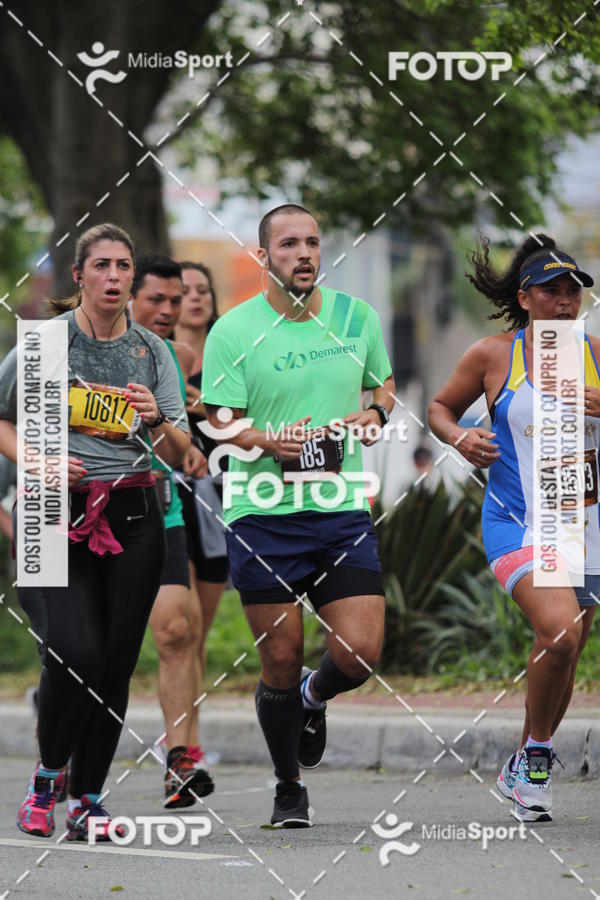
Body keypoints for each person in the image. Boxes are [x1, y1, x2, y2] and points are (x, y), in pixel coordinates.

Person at [201, 203, 395, 827]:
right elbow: (219, 419)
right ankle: (289, 786)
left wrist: (376, 415)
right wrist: (267, 442)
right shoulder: (234, 331)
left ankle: (316, 696)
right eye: (288, 244)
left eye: (312, 242)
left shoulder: (354, 317)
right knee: (280, 658)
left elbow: (382, 386)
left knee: (361, 651)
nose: (304, 254)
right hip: (262, 515)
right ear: (263, 257)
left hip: (339, 508)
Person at [0, 223, 190, 839]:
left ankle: (87, 798)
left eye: (123, 266)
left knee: (113, 660)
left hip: (134, 513)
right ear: (78, 275)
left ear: (133, 277)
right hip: (48, 511)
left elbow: (184, 450)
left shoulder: (151, 352)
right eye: (101, 265)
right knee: (71, 650)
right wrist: (40, 461)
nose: (113, 276)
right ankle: (47, 776)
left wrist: (156, 416)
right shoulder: (45, 343)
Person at [428, 233, 597, 823]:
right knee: (560, 633)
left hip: (584, 525)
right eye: (551, 291)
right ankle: (540, 753)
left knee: (567, 652)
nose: (565, 301)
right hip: (518, 521)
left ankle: (527, 760)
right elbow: (439, 408)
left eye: (573, 291)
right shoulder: (494, 355)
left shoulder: (597, 355)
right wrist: (460, 437)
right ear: (525, 299)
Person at [129, 253, 214, 806]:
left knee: (178, 633)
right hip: (85, 511)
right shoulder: (64, 347)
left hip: (159, 506)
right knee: (85, 649)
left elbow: (171, 449)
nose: (168, 309)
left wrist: (176, 430)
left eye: (175, 300)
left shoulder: (177, 356)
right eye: (156, 299)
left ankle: (180, 760)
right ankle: (56, 763)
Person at [174, 262, 229, 765]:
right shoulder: (157, 357)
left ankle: (191, 734)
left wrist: (207, 409)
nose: (194, 298)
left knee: (201, 631)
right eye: (184, 291)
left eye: (202, 290)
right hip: (168, 496)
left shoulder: (230, 356)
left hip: (217, 497)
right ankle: (181, 745)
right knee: (181, 625)